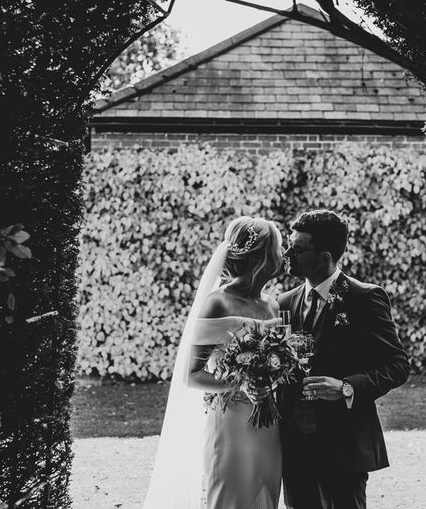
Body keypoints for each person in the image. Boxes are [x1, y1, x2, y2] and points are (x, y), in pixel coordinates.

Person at [142, 216, 285, 509]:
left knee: (267, 493)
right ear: (261, 256)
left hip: (269, 423)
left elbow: (280, 362)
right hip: (231, 421)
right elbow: (191, 376)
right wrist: (242, 383)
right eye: (278, 248)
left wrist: (271, 380)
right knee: (231, 496)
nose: (282, 254)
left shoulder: (273, 304)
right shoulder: (218, 302)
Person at [278, 209, 411, 509]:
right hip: (295, 446)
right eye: (289, 244)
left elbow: (398, 365)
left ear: (325, 257)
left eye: (298, 249)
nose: (287, 254)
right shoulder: (284, 303)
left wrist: (345, 387)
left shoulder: (364, 298)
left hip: (343, 446)